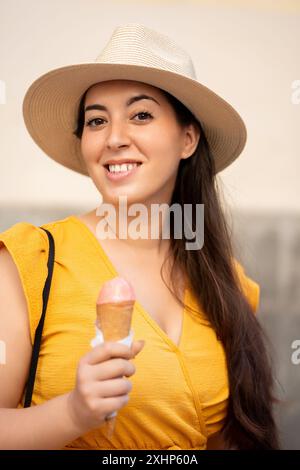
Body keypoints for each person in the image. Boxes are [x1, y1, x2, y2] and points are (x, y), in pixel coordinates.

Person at [0, 23, 280, 450]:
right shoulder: (30, 262)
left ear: (187, 139)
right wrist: (73, 411)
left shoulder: (229, 282)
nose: (114, 138)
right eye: (96, 121)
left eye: (141, 115)